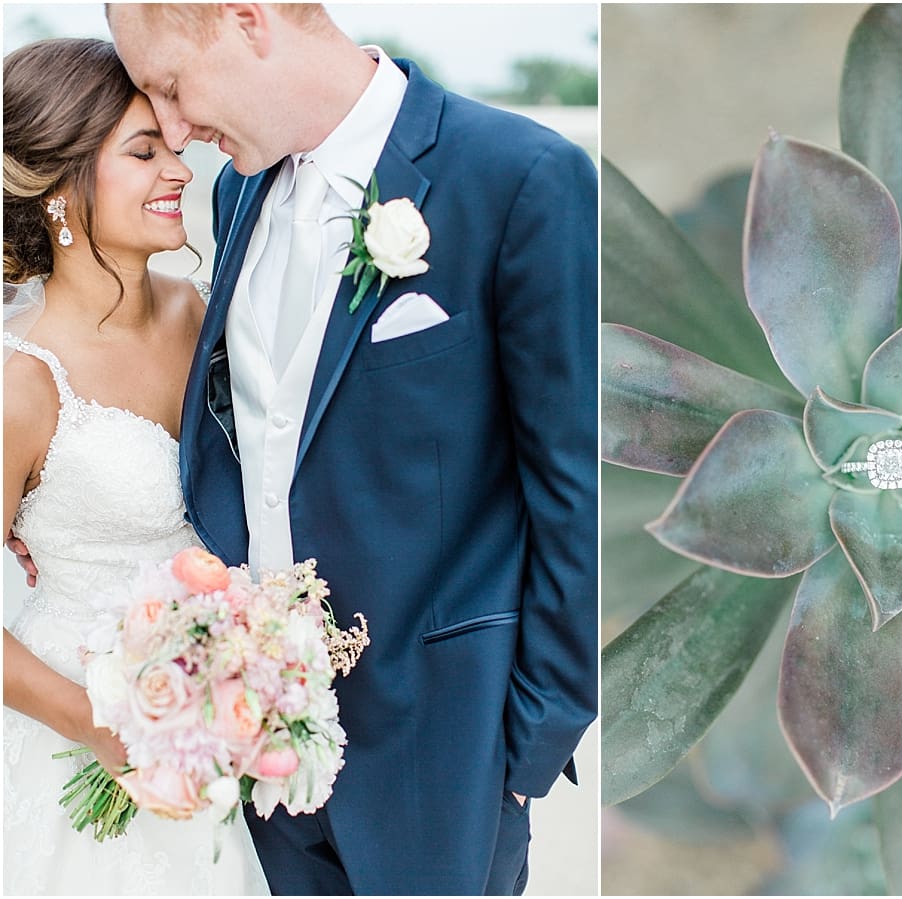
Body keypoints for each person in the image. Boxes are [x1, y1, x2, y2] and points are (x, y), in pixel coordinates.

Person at [104, 4, 599, 894]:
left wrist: (529, 747)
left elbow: (577, 486)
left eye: (172, 88)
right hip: (263, 752)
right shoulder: (237, 191)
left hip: (444, 756)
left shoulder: (519, 177)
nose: (174, 129)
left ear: (247, 19)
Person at [2, 37, 270, 894]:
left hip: (223, 723)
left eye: (173, 144)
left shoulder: (203, 311)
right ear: (59, 186)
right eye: (143, 150)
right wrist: (100, 725)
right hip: (80, 732)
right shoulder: (22, 382)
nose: (181, 171)